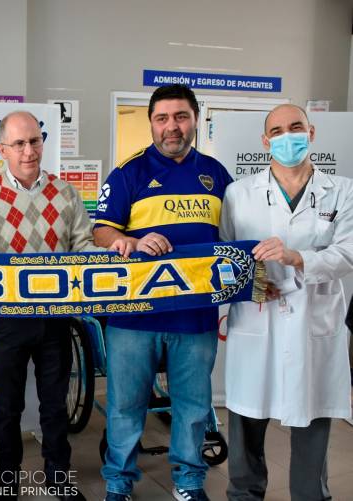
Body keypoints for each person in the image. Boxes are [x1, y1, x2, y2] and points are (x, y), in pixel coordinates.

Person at [93, 84, 233, 501]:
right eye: (162, 118)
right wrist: (131, 240)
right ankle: (119, 483)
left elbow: (234, 236)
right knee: (125, 406)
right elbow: (101, 231)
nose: (172, 126)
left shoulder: (216, 174)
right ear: (151, 123)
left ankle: (189, 482)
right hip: (135, 316)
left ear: (195, 120)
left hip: (196, 316)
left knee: (193, 407)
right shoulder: (128, 172)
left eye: (181, 116)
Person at [219, 104, 353, 500]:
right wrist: (252, 283)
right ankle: (244, 495)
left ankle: (311, 495)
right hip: (257, 319)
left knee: (312, 419)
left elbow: (348, 253)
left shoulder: (342, 190)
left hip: (314, 319)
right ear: (265, 141)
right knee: (246, 422)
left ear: (311, 133)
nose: (287, 136)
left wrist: (297, 258)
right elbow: (224, 256)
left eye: (296, 127)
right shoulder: (239, 193)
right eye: (277, 131)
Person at [0, 110, 93, 501]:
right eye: (18, 143)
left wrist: (104, 253)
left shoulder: (66, 194)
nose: (28, 151)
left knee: (55, 406)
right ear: (2, 149)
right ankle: (7, 482)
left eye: (34, 141)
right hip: (8, 320)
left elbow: (83, 247)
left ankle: (58, 477)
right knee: (8, 407)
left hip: (56, 319)